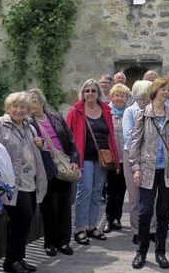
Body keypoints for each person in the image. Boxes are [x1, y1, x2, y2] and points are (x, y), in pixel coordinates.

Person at [0, 92, 48, 273]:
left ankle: (19, 259)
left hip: (30, 181)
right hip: (11, 183)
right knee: (18, 221)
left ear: (29, 110)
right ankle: (11, 262)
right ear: (8, 108)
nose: (19, 110)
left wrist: (40, 144)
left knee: (25, 221)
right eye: (15, 106)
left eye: (23, 107)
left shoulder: (30, 127)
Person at [130, 78, 169, 269]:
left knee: (163, 214)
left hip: (168, 172)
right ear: (155, 91)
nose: (166, 92)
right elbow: (135, 145)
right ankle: (141, 252)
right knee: (145, 212)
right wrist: (136, 168)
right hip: (147, 170)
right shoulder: (143, 115)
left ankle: (160, 252)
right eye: (163, 88)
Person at [27, 88, 81, 257]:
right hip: (45, 169)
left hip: (63, 165)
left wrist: (74, 161)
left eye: (34, 102)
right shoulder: (27, 123)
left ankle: (64, 242)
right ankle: (50, 243)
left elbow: (71, 141)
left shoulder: (56, 117)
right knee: (49, 207)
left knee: (64, 205)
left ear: (42, 102)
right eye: (28, 102)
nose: (31, 105)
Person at [67, 79, 121, 245]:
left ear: (98, 93)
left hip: (102, 157)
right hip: (84, 157)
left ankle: (91, 226)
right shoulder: (76, 111)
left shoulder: (105, 110)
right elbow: (68, 136)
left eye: (93, 91)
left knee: (97, 192)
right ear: (83, 94)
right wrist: (72, 158)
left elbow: (111, 133)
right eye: (87, 91)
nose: (90, 94)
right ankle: (80, 228)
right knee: (85, 192)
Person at [123, 80, 155, 245]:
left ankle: (151, 229)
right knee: (135, 197)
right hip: (133, 155)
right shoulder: (130, 111)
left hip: (152, 156)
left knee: (151, 195)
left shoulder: (155, 110)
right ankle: (136, 230)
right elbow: (129, 136)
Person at [103, 84, 130, 233]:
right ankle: (109, 219)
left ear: (126, 98)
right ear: (112, 97)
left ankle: (118, 218)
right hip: (112, 158)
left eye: (122, 96)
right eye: (117, 96)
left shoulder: (130, 112)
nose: (119, 98)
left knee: (122, 190)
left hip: (126, 158)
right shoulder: (106, 111)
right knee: (111, 190)